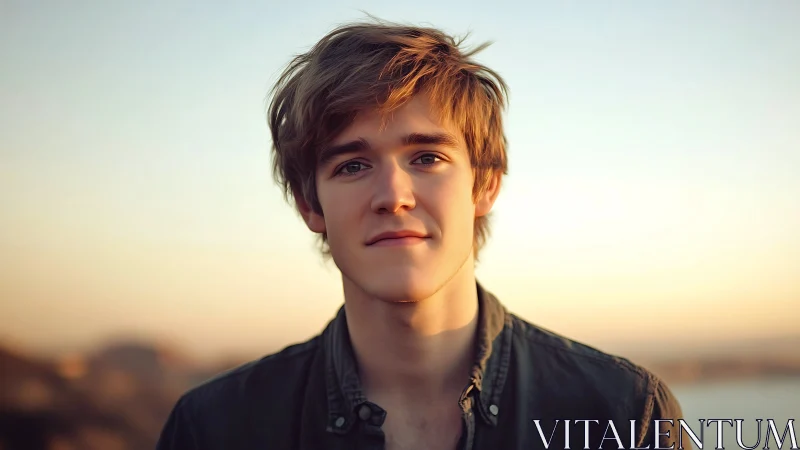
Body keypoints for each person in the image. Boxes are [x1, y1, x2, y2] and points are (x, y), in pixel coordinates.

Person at [156, 18, 691, 450]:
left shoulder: (624, 415)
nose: (394, 194)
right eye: (351, 166)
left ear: (484, 186)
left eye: (427, 157)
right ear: (308, 205)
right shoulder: (214, 428)